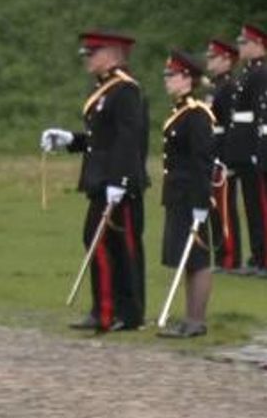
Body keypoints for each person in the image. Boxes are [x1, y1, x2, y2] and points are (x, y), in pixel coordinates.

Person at [41, 30, 149, 332]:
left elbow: (129, 140)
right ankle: (107, 309)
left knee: (118, 246)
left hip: (117, 184)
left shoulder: (125, 90)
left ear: (113, 54)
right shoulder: (106, 89)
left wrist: (121, 180)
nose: (88, 59)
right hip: (101, 179)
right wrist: (70, 140)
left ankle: (122, 313)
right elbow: (102, 140)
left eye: (93, 53)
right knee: (101, 242)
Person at [157, 50, 216, 338]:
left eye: (171, 75)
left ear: (186, 78)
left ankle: (196, 320)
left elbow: (202, 162)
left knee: (198, 259)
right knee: (186, 257)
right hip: (178, 195)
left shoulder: (196, 115)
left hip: (193, 196)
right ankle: (190, 318)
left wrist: (201, 202)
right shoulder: (180, 111)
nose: (166, 80)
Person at [227, 23, 267, 275]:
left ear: (259, 45)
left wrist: (256, 150)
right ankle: (257, 255)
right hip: (244, 148)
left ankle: (264, 257)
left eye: (245, 43)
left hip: (255, 148)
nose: (241, 47)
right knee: (252, 206)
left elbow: (260, 117)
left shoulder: (261, 73)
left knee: (261, 206)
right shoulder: (248, 72)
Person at [205, 38, 240, 272]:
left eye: (213, 57)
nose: (209, 61)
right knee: (215, 208)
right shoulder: (216, 86)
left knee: (225, 209)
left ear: (227, 60)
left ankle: (229, 257)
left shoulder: (227, 87)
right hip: (212, 150)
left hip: (222, 154)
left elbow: (230, 126)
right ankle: (220, 254)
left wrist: (227, 158)